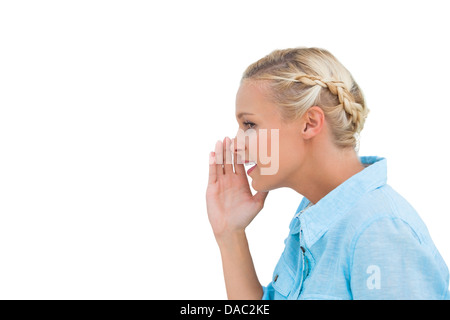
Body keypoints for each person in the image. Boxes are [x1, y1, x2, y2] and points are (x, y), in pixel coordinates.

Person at [205, 47, 450, 300]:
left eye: (249, 124)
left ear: (310, 123)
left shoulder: (378, 231)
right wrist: (229, 234)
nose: (235, 144)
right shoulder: (315, 213)